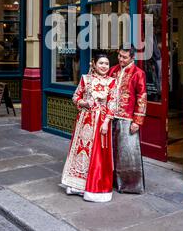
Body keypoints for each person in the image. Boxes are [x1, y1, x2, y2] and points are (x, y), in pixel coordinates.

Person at [61, 52, 116, 202]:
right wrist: (84, 103)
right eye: (101, 63)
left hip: (101, 122)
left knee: (98, 155)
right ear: (94, 64)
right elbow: (75, 97)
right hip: (84, 121)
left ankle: (95, 188)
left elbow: (112, 104)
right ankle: (77, 186)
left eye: (106, 64)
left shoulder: (112, 82)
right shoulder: (86, 79)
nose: (104, 66)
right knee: (81, 152)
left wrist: (106, 123)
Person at [109, 44, 147, 194]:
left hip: (128, 119)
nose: (121, 59)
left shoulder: (138, 73)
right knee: (112, 151)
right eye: (119, 56)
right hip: (111, 116)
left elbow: (142, 97)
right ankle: (112, 181)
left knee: (128, 153)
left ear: (132, 57)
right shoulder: (113, 70)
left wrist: (137, 121)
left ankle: (130, 185)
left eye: (124, 57)